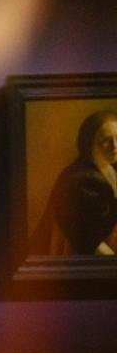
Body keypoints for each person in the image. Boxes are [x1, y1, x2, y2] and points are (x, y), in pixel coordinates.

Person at [30, 110, 117, 256]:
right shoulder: (78, 182)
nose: (115, 145)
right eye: (106, 140)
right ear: (89, 143)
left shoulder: (112, 166)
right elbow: (88, 241)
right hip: (77, 256)